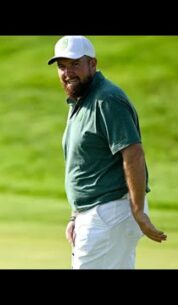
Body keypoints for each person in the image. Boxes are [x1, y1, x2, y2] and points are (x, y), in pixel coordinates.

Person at [48, 36, 167, 269]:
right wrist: (76, 215)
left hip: (108, 213)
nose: (67, 72)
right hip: (97, 214)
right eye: (62, 66)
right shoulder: (81, 101)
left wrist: (138, 211)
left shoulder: (107, 99)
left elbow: (133, 155)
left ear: (92, 63)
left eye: (74, 64)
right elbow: (85, 163)